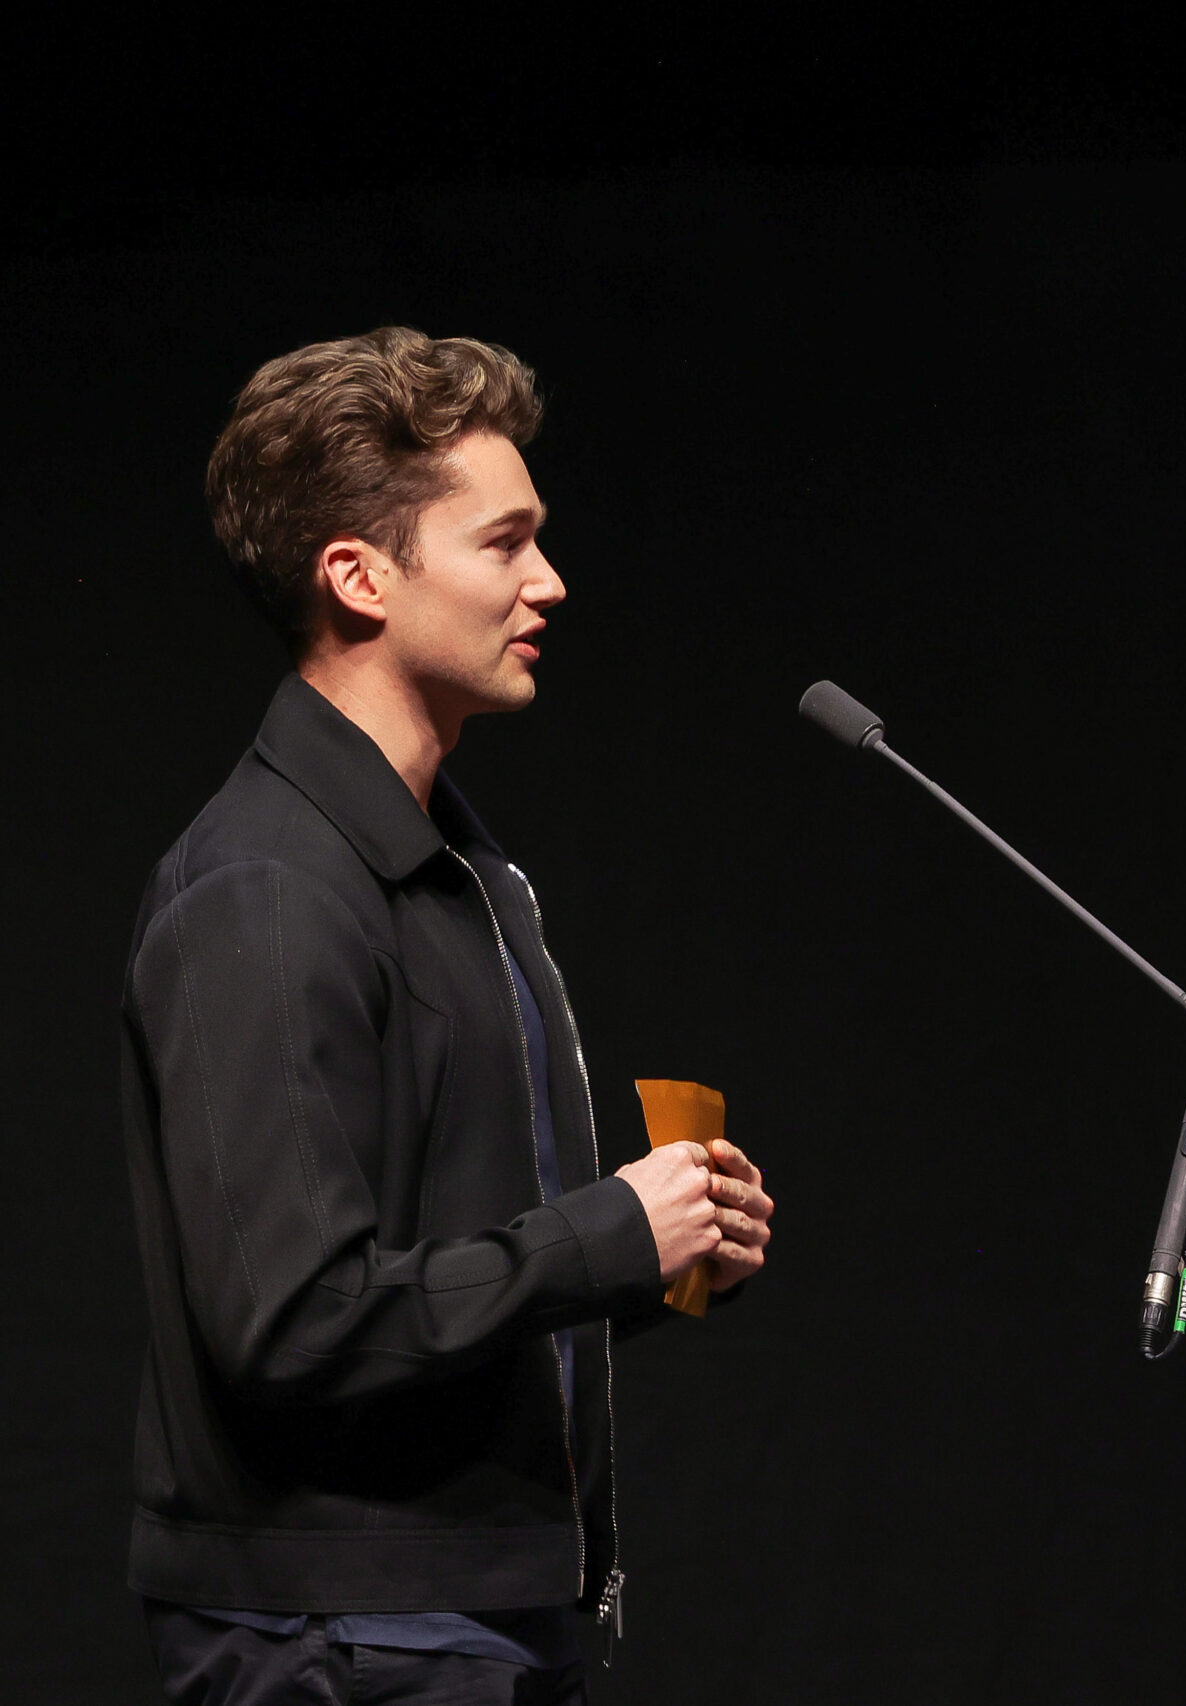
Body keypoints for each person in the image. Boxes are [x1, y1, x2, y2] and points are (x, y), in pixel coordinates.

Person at [121, 328, 775, 1703]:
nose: (549, 581)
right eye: (505, 542)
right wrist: (603, 1233)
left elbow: (438, 1263)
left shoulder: (461, 872)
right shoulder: (264, 888)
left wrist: (653, 1251)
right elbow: (294, 1319)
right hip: (336, 1644)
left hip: (473, 1622)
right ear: (356, 574)